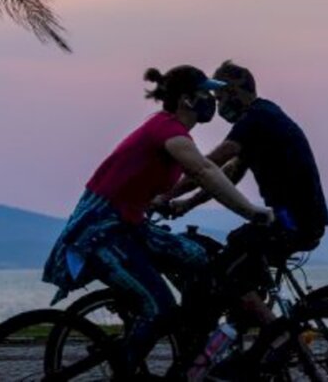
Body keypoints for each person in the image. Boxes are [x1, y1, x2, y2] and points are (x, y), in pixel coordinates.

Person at [42, 65, 274, 378]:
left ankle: (195, 344)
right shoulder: (168, 133)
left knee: (200, 257)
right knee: (158, 306)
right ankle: (124, 371)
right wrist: (251, 212)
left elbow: (145, 181)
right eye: (206, 93)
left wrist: (159, 202)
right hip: (101, 233)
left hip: (130, 226)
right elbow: (205, 172)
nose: (212, 100)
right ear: (187, 100)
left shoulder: (172, 132)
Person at [160, 60, 328, 324]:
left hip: (291, 220)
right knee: (236, 255)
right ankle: (243, 325)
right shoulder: (264, 115)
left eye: (219, 97)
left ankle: (277, 333)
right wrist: (186, 204)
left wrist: (166, 194)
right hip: (298, 218)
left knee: (227, 268)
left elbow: (209, 165)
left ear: (234, 91)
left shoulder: (256, 119)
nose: (218, 106)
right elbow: (227, 177)